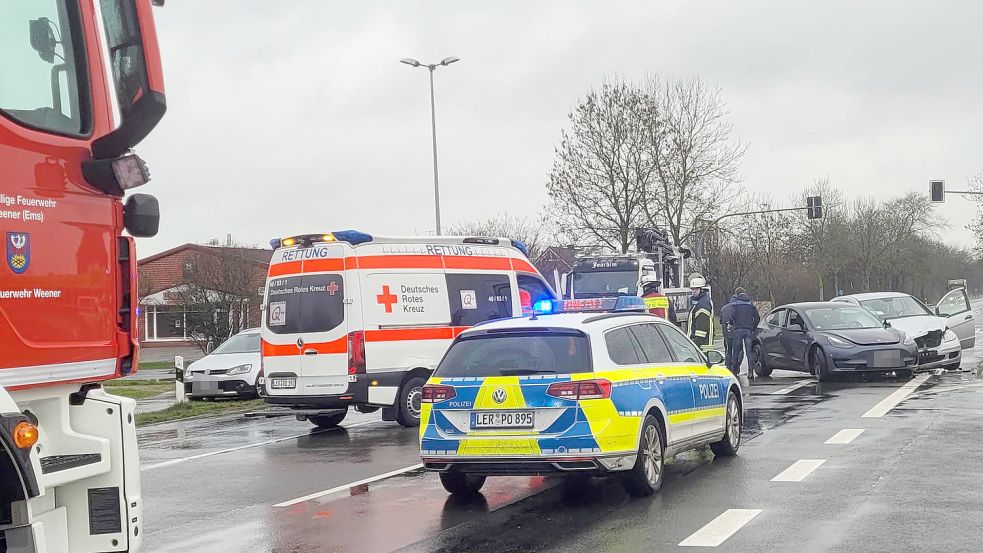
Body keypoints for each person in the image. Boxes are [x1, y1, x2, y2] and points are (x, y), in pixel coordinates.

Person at [727, 288, 760, 379]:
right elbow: (757, 318)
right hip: (748, 330)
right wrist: (752, 327)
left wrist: (732, 323)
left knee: (736, 352)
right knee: (749, 352)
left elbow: (732, 316)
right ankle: (751, 372)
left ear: (737, 294)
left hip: (738, 330)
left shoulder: (736, 304)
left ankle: (734, 372)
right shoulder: (751, 305)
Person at [687, 275, 714, 353]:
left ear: (702, 289)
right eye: (692, 289)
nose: (693, 291)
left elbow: (701, 329)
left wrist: (695, 344)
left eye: (696, 289)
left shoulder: (703, 304)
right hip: (701, 344)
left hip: (702, 346)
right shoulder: (699, 302)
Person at [719, 292, 738, 373]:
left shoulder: (724, 308)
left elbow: (720, 321)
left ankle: (728, 367)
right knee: (737, 350)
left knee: (728, 350)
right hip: (736, 332)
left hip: (726, 332)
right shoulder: (737, 308)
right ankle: (735, 368)